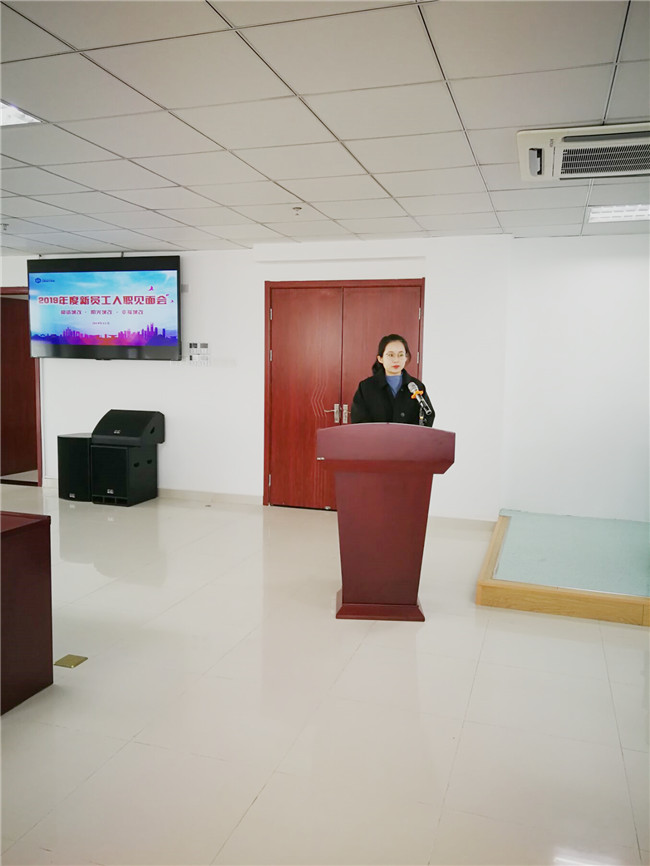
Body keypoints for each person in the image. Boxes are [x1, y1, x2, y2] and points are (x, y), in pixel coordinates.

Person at [351, 334, 435, 426]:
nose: (396, 360)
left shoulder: (416, 386)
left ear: (406, 357)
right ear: (380, 358)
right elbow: (359, 421)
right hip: (376, 435)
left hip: (408, 436)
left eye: (401, 355)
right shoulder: (366, 387)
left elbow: (428, 416)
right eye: (391, 355)